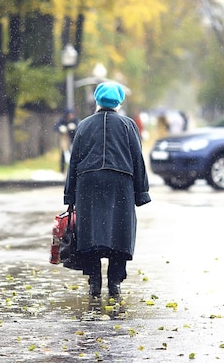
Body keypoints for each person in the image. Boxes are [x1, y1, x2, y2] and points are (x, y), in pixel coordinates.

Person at [63, 82, 151, 297]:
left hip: (88, 183)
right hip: (120, 183)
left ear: (97, 100)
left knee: (91, 232)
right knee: (119, 234)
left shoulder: (83, 126)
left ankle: (94, 281)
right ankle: (115, 282)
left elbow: (74, 161)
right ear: (119, 102)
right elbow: (137, 160)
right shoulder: (128, 125)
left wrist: (70, 194)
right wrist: (141, 192)